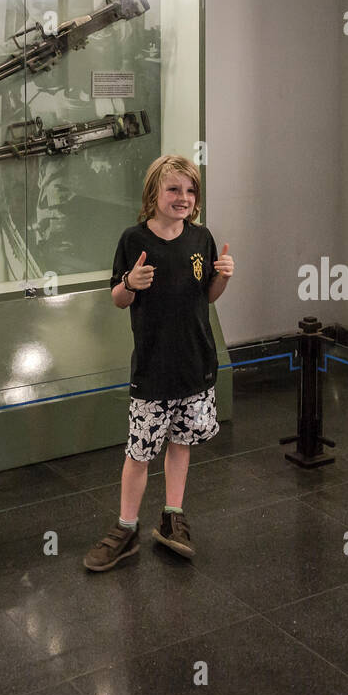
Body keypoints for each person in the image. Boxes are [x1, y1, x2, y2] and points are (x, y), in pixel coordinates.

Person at [85, 155, 234, 571]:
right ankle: (126, 527)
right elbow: (117, 297)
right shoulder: (133, 240)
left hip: (196, 365)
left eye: (189, 191)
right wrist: (130, 284)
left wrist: (223, 276)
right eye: (173, 189)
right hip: (153, 367)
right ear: (154, 193)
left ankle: (172, 516)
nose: (182, 198)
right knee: (139, 452)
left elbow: (208, 296)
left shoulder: (202, 238)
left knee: (181, 444)